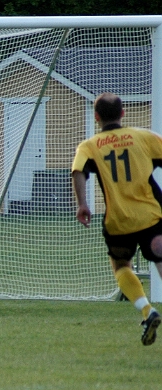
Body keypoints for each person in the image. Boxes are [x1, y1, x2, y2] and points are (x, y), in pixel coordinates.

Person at [72, 92, 162, 346]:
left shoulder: (89, 146)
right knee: (160, 254)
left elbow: (78, 170)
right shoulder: (144, 137)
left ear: (96, 117)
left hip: (118, 220)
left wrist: (82, 204)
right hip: (151, 214)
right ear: (123, 113)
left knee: (121, 265)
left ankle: (147, 310)